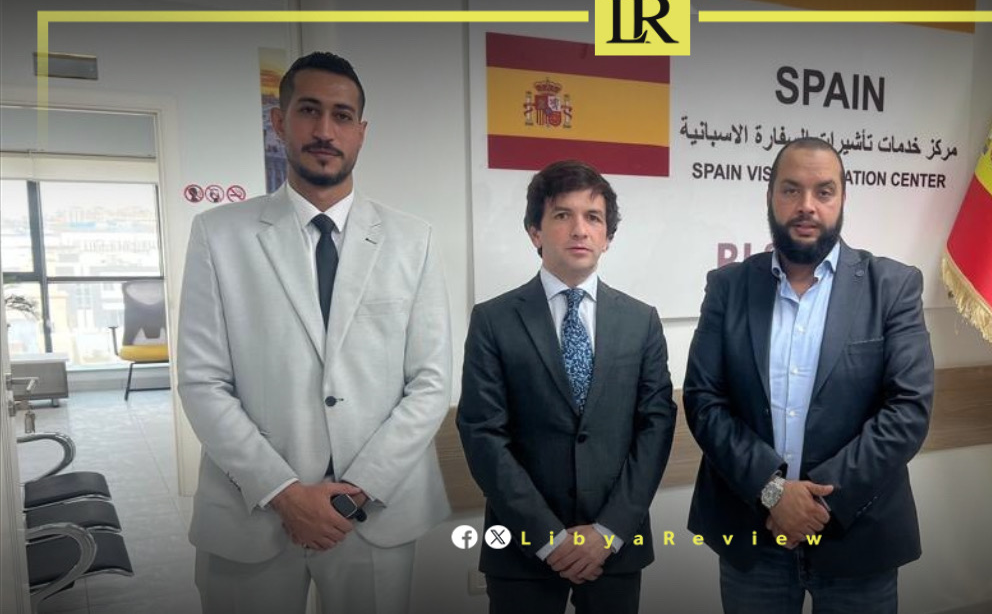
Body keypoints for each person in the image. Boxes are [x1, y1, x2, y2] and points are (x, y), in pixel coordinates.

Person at [177, 51, 452, 613]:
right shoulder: (219, 235)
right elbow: (203, 382)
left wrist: (357, 492)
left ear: (361, 132)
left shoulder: (412, 240)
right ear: (279, 123)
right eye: (309, 111)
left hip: (374, 513)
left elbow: (430, 382)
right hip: (252, 511)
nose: (326, 130)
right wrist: (284, 493)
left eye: (342, 116)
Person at [684, 137, 934, 613]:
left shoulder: (893, 287)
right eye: (791, 189)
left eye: (823, 191)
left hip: (857, 536)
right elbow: (703, 400)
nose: (806, 206)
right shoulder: (728, 287)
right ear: (770, 196)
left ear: (842, 199)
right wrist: (773, 490)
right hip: (752, 536)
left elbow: (908, 411)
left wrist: (820, 503)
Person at [457, 160, 676, 614]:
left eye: (593, 217)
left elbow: (655, 428)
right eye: (562, 215)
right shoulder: (493, 320)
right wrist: (546, 537)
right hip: (522, 547)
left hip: (615, 547)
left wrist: (609, 531)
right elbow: (482, 433)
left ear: (607, 236)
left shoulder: (641, 321)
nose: (580, 229)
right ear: (535, 232)